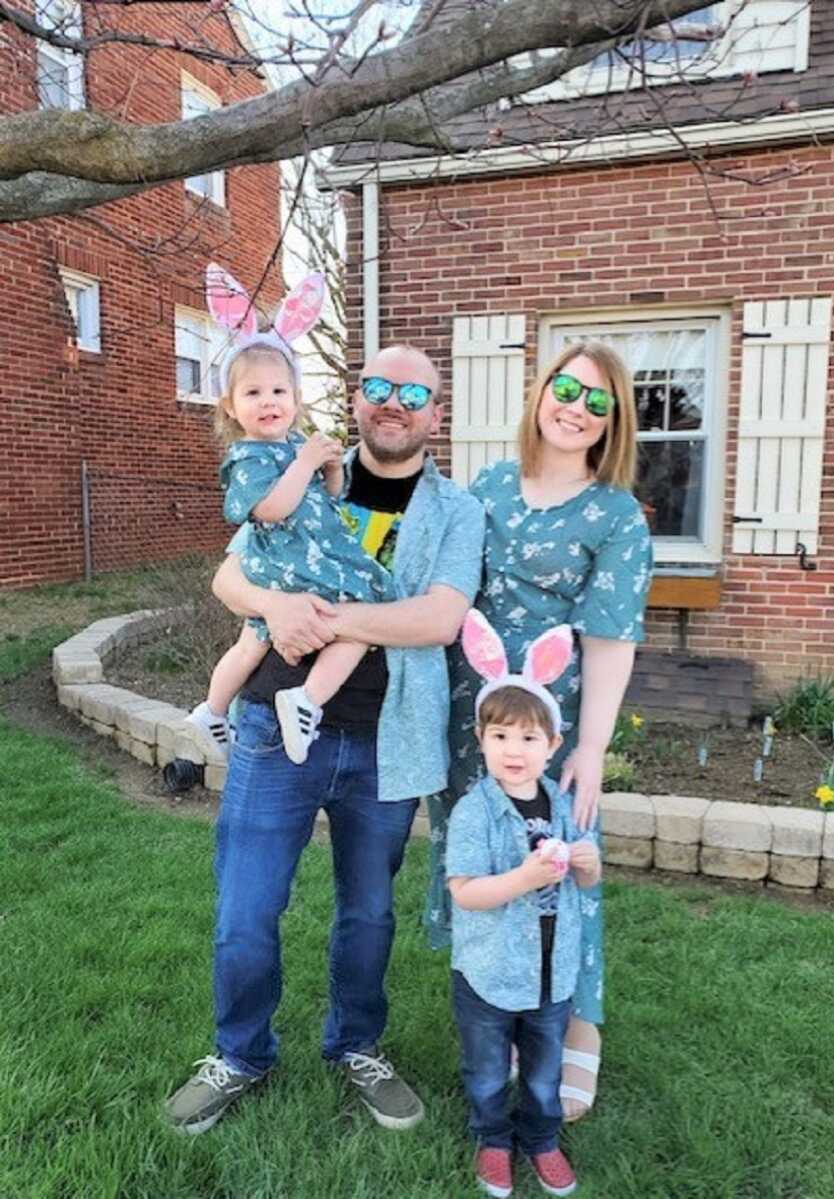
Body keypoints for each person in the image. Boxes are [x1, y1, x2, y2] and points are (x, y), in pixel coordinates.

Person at [164, 343, 485, 1135]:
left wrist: (321, 619)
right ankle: (239, 1052)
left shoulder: (456, 510)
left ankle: (356, 1046)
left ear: (434, 413)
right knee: (245, 909)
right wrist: (274, 607)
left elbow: (438, 618)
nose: (394, 401)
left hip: (387, 737)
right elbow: (228, 576)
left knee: (369, 913)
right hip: (275, 726)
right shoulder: (302, 465)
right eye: (378, 385)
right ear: (356, 398)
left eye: (414, 391)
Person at [428, 340, 652, 1123]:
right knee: (485, 857)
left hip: (550, 729)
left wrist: (589, 748)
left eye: (598, 402)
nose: (576, 408)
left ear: (612, 422)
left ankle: (573, 1015)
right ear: (541, 391)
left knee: (559, 859)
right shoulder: (487, 485)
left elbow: (612, 636)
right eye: (567, 389)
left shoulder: (616, 515)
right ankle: (499, 1005)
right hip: (474, 714)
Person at [185, 265, 390, 767]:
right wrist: (302, 464)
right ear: (230, 407)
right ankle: (306, 701)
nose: (269, 402)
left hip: (294, 562)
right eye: (253, 394)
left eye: (279, 392)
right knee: (371, 603)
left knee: (252, 641)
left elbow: (331, 499)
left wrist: (329, 467)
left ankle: (211, 710)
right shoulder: (250, 457)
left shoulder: (296, 446)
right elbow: (271, 510)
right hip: (289, 564)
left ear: (297, 400)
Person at [447, 611, 600, 1198]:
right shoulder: (474, 813)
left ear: (553, 744)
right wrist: (525, 875)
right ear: (481, 739)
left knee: (542, 1070)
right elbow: (466, 891)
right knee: (487, 1069)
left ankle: (540, 1138)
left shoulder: (559, 807)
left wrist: (587, 865)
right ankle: (492, 1138)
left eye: (529, 737)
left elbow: (583, 884)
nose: (515, 750)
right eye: (501, 736)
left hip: (550, 974)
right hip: (488, 972)